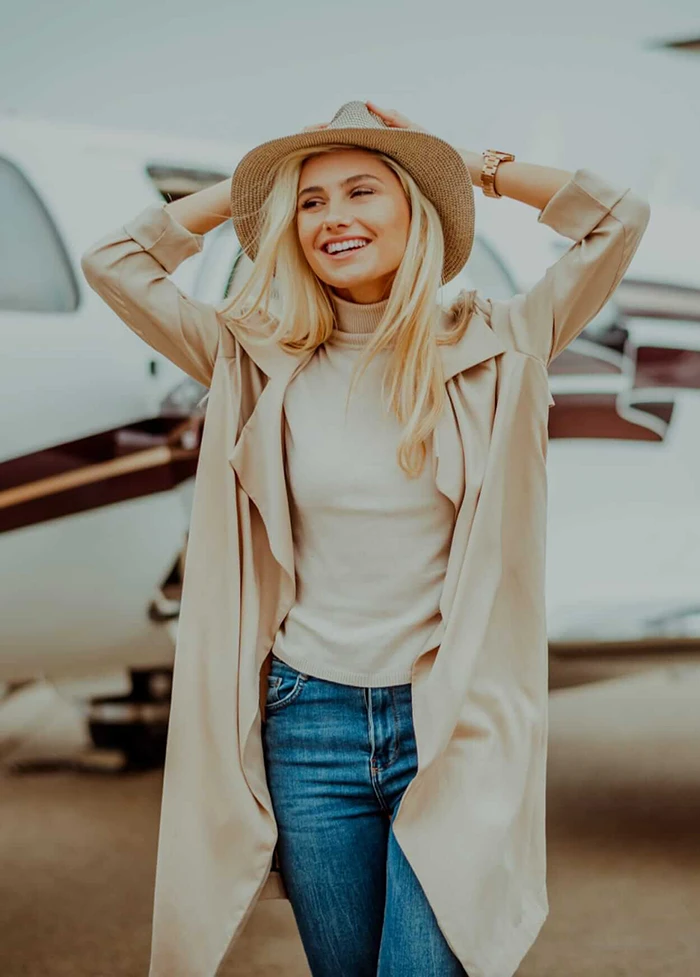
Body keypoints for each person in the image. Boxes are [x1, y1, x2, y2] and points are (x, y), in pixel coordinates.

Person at [80, 99, 650, 977]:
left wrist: (467, 165)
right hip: (309, 724)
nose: (332, 216)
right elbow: (115, 261)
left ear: (415, 210)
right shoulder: (250, 354)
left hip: (449, 719)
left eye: (361, 190)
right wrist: (244, 193)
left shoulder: (502, 342)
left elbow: (616, 218)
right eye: (309, 202)